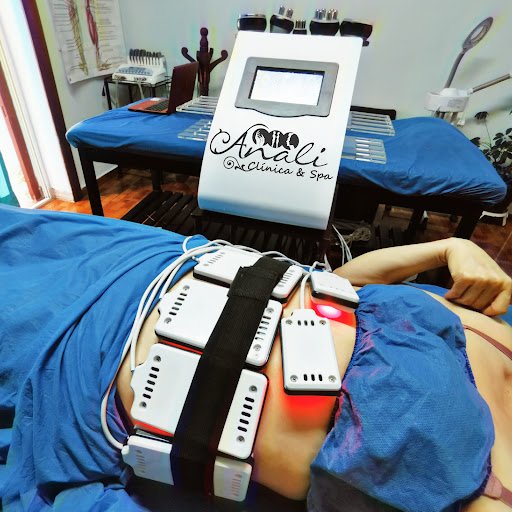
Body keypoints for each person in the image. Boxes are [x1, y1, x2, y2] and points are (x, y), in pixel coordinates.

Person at [0, 205, 510, 512]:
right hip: (155, 264)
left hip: (82, 376)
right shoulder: (496, 321)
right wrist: (447, 248)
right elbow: (341, 284)